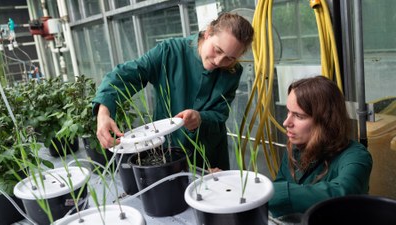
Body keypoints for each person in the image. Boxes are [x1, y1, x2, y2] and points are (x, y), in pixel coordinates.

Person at [92, 12, 254, 170]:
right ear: (208, 33)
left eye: (230, 58)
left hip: (209, 152)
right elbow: (126, 75)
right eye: (218, 50)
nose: (219, 61)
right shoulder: (169, 52)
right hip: (167, 150)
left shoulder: (232, 71)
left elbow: (220, 113)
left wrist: (200, 117)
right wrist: (103, 113)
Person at [269, 76, 373, 219]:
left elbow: (343, 192)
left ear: (325, 121)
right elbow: (280, 185)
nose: (286, 122)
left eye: (299, 116)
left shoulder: (356, 156)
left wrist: (268, 192)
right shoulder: (296, 147)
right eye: (288, 112)